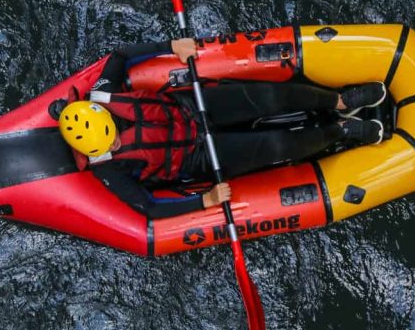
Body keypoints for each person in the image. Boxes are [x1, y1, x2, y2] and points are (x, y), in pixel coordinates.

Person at [58, 39, 387, 219]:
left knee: (272, 96)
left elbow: (120, 54)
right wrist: (205, 201)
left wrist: (171, 46)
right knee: (277, 148)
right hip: (196, 157)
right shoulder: (105, 170)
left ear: (101, 113)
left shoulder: (102, 91)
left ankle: (340, 101)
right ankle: (341, 130)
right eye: (109, 146)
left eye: (113, 137)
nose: (115, 145)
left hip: (192, 107)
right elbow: (149, 208)